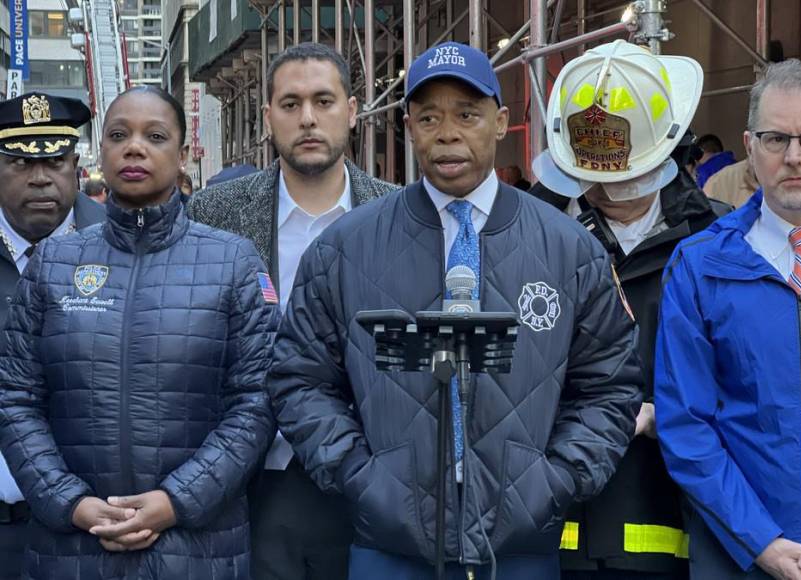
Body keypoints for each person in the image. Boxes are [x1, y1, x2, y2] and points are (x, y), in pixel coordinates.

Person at [269, 40, 642, 580]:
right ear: (408, 127)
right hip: (388, 545)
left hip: (521, 548)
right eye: (429, 117)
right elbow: (299, 379)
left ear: (501, 121)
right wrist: (362, 478)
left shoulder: (569, 248)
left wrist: (554, 482)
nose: (447, 133)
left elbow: (609, 385)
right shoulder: (346, 247)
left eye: (467, 114)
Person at [0, 85, 277, 580]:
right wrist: (70, 502)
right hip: (71, 548)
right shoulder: (55, 263)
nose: (134, 147)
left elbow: (256, 399)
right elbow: (16, 395)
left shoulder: (234, 261)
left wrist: (178, 500)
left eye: (155, 135)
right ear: (99, 150)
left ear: (184, 153)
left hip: (197, 546)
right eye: (118, 135)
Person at [188, 42, 396, 580]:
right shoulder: (214, 215)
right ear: (268, 117)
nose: (307, 118)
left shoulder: (400, 214)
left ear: (352, 111)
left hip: (370, 480)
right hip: (249, 484)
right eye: (290, 103)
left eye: (324, 101)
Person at [529, 39, 729, 580]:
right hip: (545, 525)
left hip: (672, 517)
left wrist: (671, 414)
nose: (608, 192)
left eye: (625, 179)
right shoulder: (525, 233)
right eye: (595, 180)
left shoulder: (720, 238)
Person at [655, 59, 801, 580]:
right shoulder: (700, 266)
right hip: (738, 559)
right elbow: (686, 423)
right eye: (777, 139)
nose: (794, 157)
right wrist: (761, 542)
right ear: (750, 147)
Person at [0, 91, 106, 580]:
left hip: (97, 526)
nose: (40, 178)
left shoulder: (125, 241)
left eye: (55, 161)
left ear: (76, 165)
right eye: (20, 162)